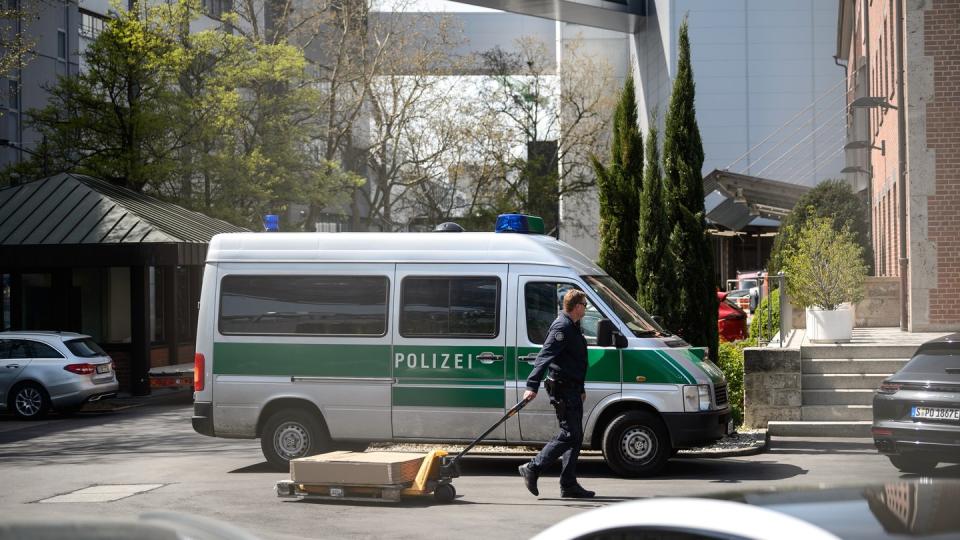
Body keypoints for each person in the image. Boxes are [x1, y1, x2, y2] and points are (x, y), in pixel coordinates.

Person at [518, 289, 595, 499]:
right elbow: (545, 355)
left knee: (575, 437)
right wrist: (531, 385)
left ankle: (568, 484)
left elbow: (573, 361)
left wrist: (580, 389)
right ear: (577, 306)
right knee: (569, 434)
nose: (586, 310)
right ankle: (533, 467)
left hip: (572, 388)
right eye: (585, 306)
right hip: (562, 388)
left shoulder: (572, 326)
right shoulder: (562, 327)